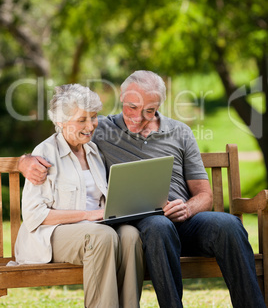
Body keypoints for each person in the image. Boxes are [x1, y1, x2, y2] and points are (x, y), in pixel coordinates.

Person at [18, 71, 266, 308]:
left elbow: (205, 195)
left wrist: (188, 208)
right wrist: (24, 161)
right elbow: (64, 135)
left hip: (184, 221)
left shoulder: (181, 132)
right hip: (147, 224)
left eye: (149, 110)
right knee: (159, 226)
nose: (138, 117)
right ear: (122, 100)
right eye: (131, 108)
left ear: (159, 105)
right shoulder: (101, 129)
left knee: (229, 226)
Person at [15, 84, 144, 308]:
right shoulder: (45, 153)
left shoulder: (93, 152)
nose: (91, 125)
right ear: (61, 122)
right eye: (81, 119)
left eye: (93, 117)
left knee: (131, 235)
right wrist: (89, 214)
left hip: (97, 228)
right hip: (52, 236)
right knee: (101, 236)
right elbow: (34, 215)